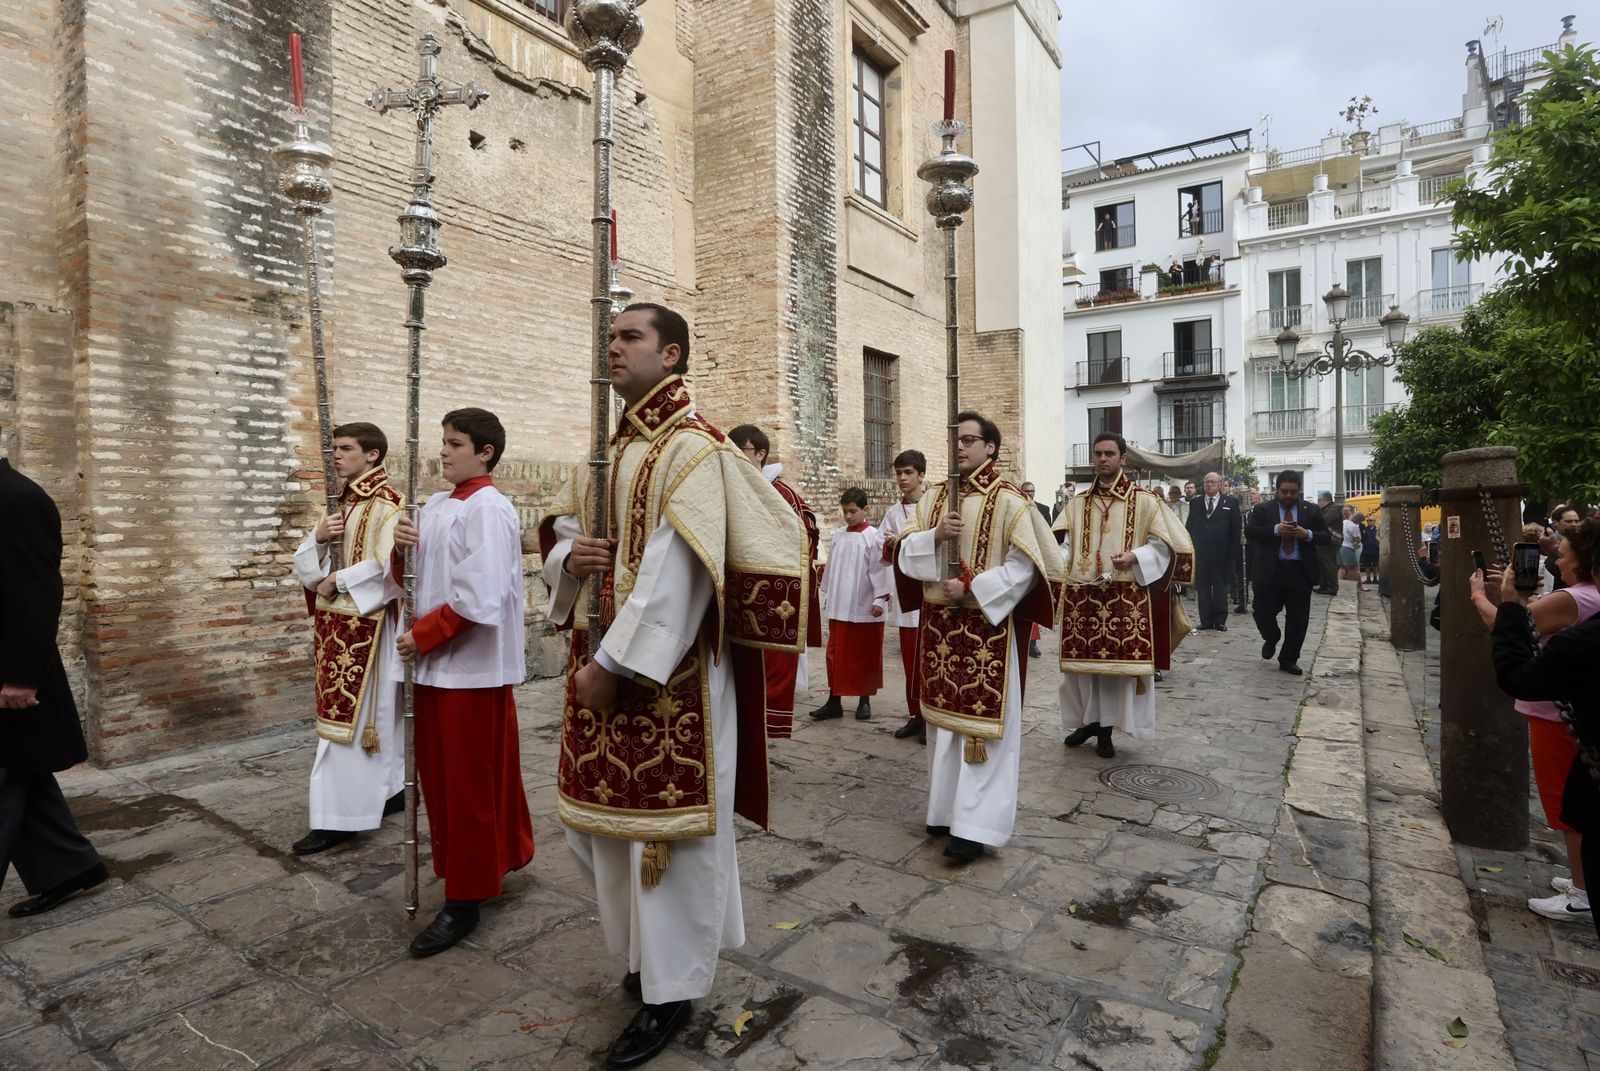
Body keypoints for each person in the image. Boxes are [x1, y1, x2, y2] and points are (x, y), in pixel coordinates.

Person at [539, 303, 807, 1069]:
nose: (613, 346)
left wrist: (613, 666)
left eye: (630, 337)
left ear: (674, 353)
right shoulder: (610, 450)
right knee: (596, 828)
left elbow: (679, 572)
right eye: (610, 336)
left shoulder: (694, 450)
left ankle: (672, 990)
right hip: (602, 665)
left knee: (670, 842)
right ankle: (641, 959)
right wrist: (572, 563)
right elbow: (575, 549)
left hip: (668, 682)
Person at [393, 408, 534, 958]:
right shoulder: (432, 505)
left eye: (455, 444)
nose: (444, 452)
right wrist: (401, 544)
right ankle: (477, 865)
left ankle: (465, 900)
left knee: (468, 787)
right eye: (442, 442)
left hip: (469, 670)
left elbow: (483, 592)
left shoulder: (490, 508)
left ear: (485, 452)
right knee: (443, 782)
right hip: (434, 668)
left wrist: (425, 634)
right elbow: (416, 574)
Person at [894, 411, 1061, 862]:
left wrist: (972, 587)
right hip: (940, 631)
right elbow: (904, 551)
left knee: (981, 735)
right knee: (943, 730)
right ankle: (944, 811)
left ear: (991, 447)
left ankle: (975, 826)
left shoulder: (1010, 501)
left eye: (969, 439)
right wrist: (934, 535)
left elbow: (1026, 568)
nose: (961, 447)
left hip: (985, 630)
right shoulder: (933, 499)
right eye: (956, 439)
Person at [1470, 518, 1600, 921]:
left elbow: (1507, 629)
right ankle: (1582, 877)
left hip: (1559, 716)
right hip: (1564, 713)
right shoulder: (1579, 597)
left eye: (1562, 556)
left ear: (1583, 563)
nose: (1555, 562)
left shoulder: (1577, 598)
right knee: (1572, 800)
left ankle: (1582, 891)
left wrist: (1480, 596)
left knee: (1569, 802)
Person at [290, 422, 407, 855]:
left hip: (369, 628)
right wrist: (319, 539)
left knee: (356, 727)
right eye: (334, 448)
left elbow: (391, 566)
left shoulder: (389, 504)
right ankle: (390, 791)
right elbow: (307, 565)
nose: (336, 456)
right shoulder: (338, 505)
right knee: (352, 723)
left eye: (346, 449)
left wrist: (340, 578)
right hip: (334, 625)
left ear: (372, 455)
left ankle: (338, 819)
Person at [0, 453, 108, 918]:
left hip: (12, 673)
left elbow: (37, 591)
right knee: (19, 770)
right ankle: (69, 868)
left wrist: (21, 676)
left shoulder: (17, 498)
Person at [1055, 433, 1195, 758]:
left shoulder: (1145, 501)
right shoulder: (1076, 504)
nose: (1102, 459)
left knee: (1115, 673)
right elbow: (1064, 548)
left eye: (1109, 453)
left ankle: (1105, 730)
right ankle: (1089, 721)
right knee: (1086, 671)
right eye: (1098, 454)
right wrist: (1052, 566)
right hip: (1084, 598)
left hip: (1126, 597)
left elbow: (1165, 546)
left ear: (1123, 458)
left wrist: (1135, 556)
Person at [727, 424, 821, 740]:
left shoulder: (781, 493)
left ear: (761, 454)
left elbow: (803, 537)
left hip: (772, 594)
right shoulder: (733, 487)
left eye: (743, 452)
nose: (737, 458)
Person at [809, 488, 891, 722]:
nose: (848, 516)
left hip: (865, 606)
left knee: (864, 654)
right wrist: (826, 593)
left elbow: (881, 569)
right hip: (839, 606)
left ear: (866, 510)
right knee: (836, 654)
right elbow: (832, 568)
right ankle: (834, 700)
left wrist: (879, 599)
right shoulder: (838, 536)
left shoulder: (874, 537)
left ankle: (864, 701)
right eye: (845, 512)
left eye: (853, 511)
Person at [1245, 471, 1330, 675]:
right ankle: (1272, 636)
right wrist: (1275, 530)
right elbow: (1250, 532)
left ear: (1299, 490)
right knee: (1262, 612)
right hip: (1269, 571)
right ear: (1277, 490)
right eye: (1284, 491)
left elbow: (1326, 536)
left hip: (1300, 571)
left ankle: (1289, 658)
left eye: (1293, 492)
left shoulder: (1311, 510)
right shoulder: (1263, 509)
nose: (1289, 496)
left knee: (1298, 619)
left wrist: (1306, 534)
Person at [881, 450, 928, 743]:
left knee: (930, 661)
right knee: (911, 662)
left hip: (932, 596)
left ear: (921, 475)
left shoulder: (935, 505)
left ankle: (932, 717)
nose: (902, 478)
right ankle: (916, 716)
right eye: (898, 473)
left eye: (908, 473)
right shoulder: (892, 513)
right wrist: (891, 546)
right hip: (906, 599)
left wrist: (907, 542)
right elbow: (882, 554)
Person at [1185, 471, 1241, 631]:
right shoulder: (1195, 503)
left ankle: (1220, 620)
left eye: (1213, 482)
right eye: (1206, 482)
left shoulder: (1230, 502)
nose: (1209, 485)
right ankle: (1206, 620)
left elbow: (1235, 530)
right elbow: (1190, 526)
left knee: (1220, 588)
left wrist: (1232, 555)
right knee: (1202, 588)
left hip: (1222, 555)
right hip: (1201, 554)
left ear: (1219, 484)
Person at [1020, 482, 1052, 657]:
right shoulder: (1015, 505)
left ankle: (1032, 644)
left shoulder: (1044, 510)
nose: (1029, 494)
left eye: (1032, 491)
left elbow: (1047, 535)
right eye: (1026, 491)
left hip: (1037, 560)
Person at [1546, 506, 1584, 592]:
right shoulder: (1545, 544)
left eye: (1576, 521)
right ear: (1555, 523)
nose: (1574, 524)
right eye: (1569, 521)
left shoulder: (1583, 543)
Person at [1315, 491, 1341, 595]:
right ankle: (1323, 585)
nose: (1318, 502)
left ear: (1325, 500)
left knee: (1329, 564)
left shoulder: (1332, 510)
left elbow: (1323, 522)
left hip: (1330, 541)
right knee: (1323, 563)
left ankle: (1332, 587)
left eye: (1319, 500)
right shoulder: (1328, 509)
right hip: (1324, 540)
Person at [1339, 506, 1364, 591]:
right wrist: (1359, 540)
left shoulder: (1344, 522)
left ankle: (1340, 585)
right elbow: (1357, 539)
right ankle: (1355, 587)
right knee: (1353, 568)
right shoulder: (1354, 526)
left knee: (1342, 567)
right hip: (1349, 547)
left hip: (1341, 546)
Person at [1360, 515, 1381, 586]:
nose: (1369, 522)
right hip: (1366, 550)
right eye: (1368, 520)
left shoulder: (1377, 530)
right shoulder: (1364, 530)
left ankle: (1375, 578)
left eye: (1371, 520)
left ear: (1374, 521)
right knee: (1367, 565)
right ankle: (1368, 578)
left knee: (1375, 565)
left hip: (1375, 550)